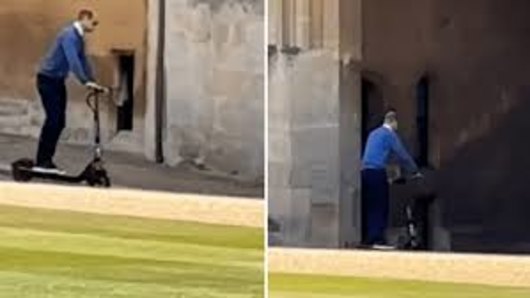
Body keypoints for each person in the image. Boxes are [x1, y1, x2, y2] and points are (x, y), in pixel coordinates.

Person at [34, 9, 105, 174]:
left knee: (60, 122)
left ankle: (46, 161)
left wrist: (93, 81)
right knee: (53, 119)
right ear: (84, 18)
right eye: (94, 22)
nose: (95, 27)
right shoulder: (69, 35)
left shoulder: (78, 38)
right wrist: (84, 81)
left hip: (57, 81)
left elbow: (83, 60)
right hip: (47, 80)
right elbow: (73, 61)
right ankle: (41, 161)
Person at [361, 109, 422, 248]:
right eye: (396, 124)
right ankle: (377, 238)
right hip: (377, 172)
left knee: (371, 205)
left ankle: (370, 236)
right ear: (392, 122)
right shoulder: (389, 134)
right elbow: (402, 154)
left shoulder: (373, 133)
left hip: (365, 171)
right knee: (381, 205)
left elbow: (378, 154)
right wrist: (414, 170)